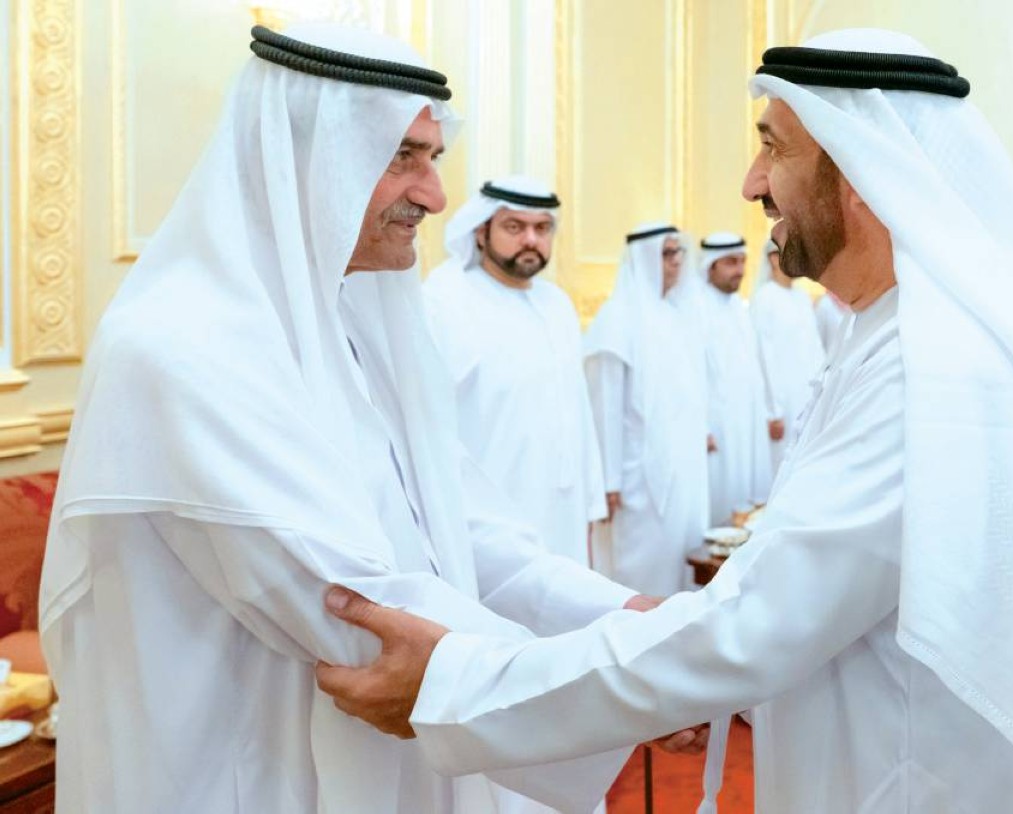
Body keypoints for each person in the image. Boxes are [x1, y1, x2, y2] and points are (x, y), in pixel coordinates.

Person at [315, 29, 1013, 813]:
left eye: (774, 148)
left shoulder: (935, 365)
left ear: (861, 171)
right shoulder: (895, 330)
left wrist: (461, 689)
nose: (751, 183)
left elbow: (757, 625)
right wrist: (654, 628)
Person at [38, 23, 646, 814]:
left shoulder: (353, 321)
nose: (434, 196)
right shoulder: (179, 345)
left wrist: (624, 617)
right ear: (303, 156)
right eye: (402, 157)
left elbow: (458, 530)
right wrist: (629, 685)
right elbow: (354, 607)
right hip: (242, 776)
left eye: (433, 158)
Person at [424, 176, 606, 571]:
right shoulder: (446, 299)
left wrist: (591, 507)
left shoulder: (557, 304)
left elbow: (578, 415)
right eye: (514, 227)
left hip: (564, 512)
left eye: (542, 228)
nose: (531, 240)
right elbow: (427, 423)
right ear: (480, 231)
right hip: (488, 516)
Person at [583, 224, 709, 595]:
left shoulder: (675, 315)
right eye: (666, 254)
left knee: (681, 562)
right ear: (643, 259)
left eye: (678, 252)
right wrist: (608, 481)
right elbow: (605, 406)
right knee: (639, 571)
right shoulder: (617, 317)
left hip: (683, 469)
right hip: (635, 477)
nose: (676, 262)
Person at [695, 232, 773, 523]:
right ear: (710, 265)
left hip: (745, 420)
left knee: (744, 497)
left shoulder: (738, 307)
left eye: (742, 261)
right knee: (718, 498)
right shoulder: (695, 308)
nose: (739, 270)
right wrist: (701, 427)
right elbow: (690, 376)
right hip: (715, 424)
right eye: (730, 262)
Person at [750, 237, 825, 475]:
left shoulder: (802, 297)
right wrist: (773, 411)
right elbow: (764, 358)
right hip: (782, 406)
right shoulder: (764, 299)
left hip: (808, 398)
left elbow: (815, 348)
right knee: (781, 468)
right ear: (773, 259)